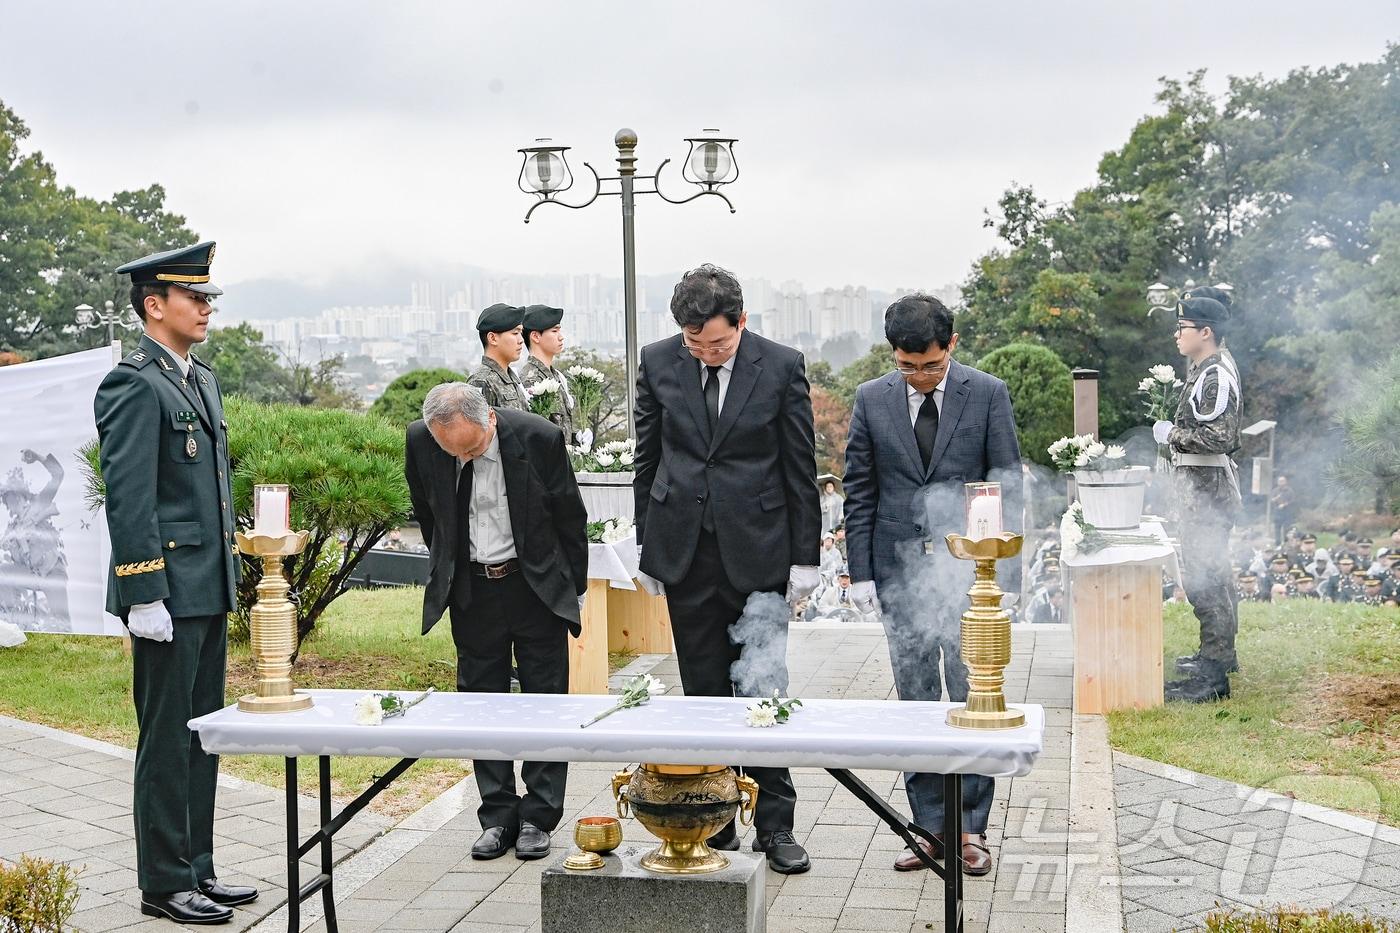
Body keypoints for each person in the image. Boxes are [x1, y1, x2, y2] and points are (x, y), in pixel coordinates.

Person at [632, 263, 821, 874]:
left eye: (716, 343)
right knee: (704, 691)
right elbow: (647, 459)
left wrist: (806, 558)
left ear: (741, 322)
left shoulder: (782, 365)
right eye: (694, 344)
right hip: (685, 553)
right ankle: (715, 822)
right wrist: (649, 549)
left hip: (759, 548)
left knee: (764, 689)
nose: (705, 353)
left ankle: (776, 824)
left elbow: (799, 466)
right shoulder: (658, 361)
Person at [94, 241, 252, 925]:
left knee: (202, 732)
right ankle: (162, 880)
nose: (207, 307)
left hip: (207, 586)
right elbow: (129, 499)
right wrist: (143, 590)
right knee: (164, 737)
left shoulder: (200, 378)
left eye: (208, 296)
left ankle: (198, 865)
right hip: (164, 593)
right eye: (195, 297)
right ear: (155, 306)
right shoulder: (134, 382)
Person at [842, 294, 1023, 876]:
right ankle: (927, 829)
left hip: (971, 577)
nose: (919, 377)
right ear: (892, 355)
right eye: (907, 366)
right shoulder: (871, 400)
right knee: (916, 702)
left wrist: (1006, 577)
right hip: (898, 572)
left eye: (931, 365)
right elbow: (860, 488)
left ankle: (971, 830)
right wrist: (862, 574)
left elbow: (1005, 480)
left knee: (975, 701)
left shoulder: (987, 393)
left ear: (952, 346)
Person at [404, 383, 588, 862]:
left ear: (489, 419)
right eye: (452, 452)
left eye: (471, 448)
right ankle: (498, 816)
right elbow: (427, 512)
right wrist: (448, 563)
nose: (462, 458)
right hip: (472, 589)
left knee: (545, 701)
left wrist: (575, 588)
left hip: (533, 587)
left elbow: (570, 514)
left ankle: (538, 817)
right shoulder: (421, 441)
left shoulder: (539, 437)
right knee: (480, 702)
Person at [1153, 286, 1242, 701]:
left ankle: (1213, 675)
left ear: (1205, 332)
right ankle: (1219, 657)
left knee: (1205, 579)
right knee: (1213, 574)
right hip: (1201, 489)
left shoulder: (1214, 373)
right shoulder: (1205, 368)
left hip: (1207, 492)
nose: (1177, 334)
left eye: (1183, 327)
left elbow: (1218, 437)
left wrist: (1171, 434)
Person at [518, 304, 576, 443]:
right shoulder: (531, 380)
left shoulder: (557, 376)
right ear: (536, 336)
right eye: (554, 331)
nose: (561, 337)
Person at [467, 303, 528, 411]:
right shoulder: (482, 381)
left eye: (521, 333)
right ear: (493, 338)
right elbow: (476, 426)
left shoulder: (512, 378)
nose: (521, 340)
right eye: (515, 333)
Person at [1269, 475, 1295, 547]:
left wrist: (1284, 505)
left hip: (1286, 513)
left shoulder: (1290, 491)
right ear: (1277, 482)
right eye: (1280, 481)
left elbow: (1292, 501)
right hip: (1277, 513)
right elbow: (1271, 500)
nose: (1281, 483)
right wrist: (1275, 499)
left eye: (1282, 481)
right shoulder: (1275, 491)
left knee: (1286, 528)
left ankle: (1286, 543)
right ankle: (1278, 544)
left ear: (1285, 482)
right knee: (1277, 528)